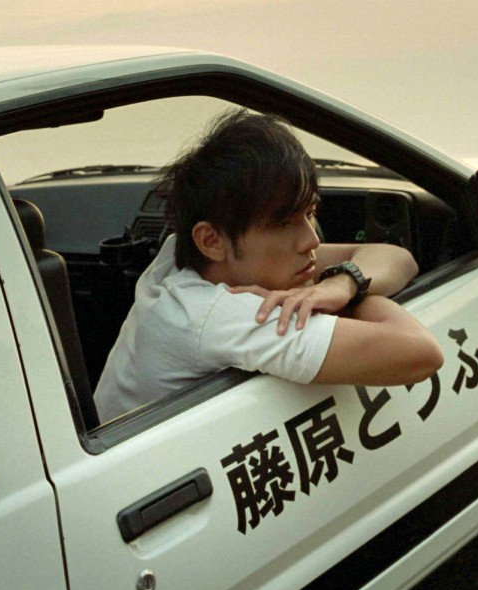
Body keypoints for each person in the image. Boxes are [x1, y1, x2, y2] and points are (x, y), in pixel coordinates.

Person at [94, 110, 443, 422]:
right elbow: (420, 351)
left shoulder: (184, 259)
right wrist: (355, 299)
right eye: (283, 223)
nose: (311, 240)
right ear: (211, 240)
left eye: (310, 213)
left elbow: (396, 258)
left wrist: (340, 284)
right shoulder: (212, 314)